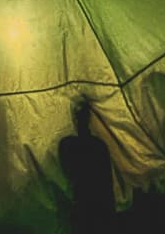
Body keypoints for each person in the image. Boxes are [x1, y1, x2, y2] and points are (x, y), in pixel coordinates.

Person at [58, 99, 116, 234]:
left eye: (81, 115)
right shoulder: (97, 146)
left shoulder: (69, 144)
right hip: (91, 207)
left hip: (87, 206)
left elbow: (106, 182)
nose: (80, 120)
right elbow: (107, 183)